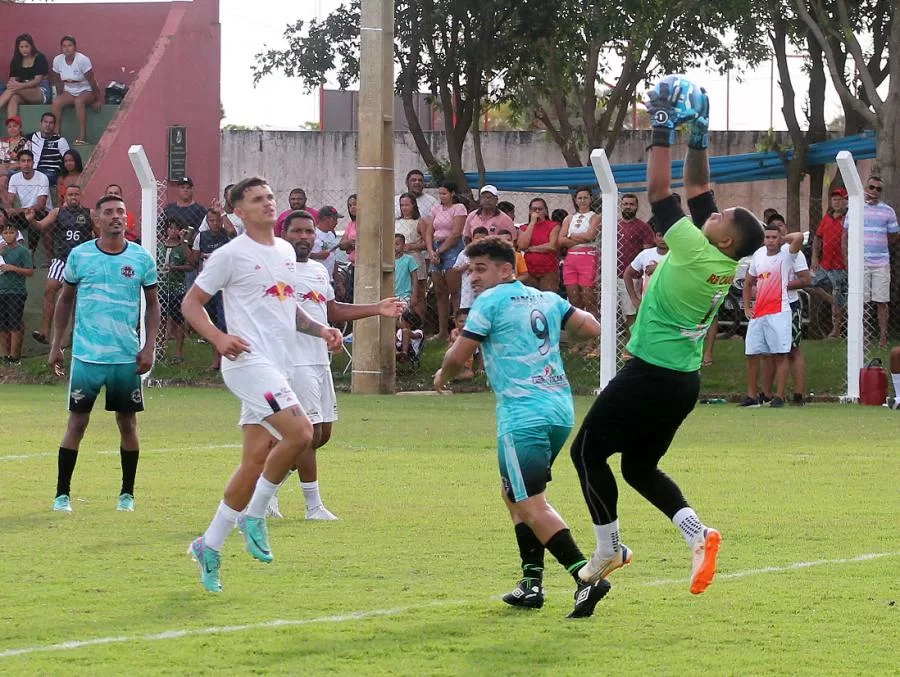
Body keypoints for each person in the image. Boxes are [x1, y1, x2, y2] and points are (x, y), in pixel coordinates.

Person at [570, 76, 764, 595]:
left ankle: (609, 547)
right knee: (638, 467)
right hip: (681, 383)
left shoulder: (697, 249)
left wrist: (659, 127)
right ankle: (698, 533)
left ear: (722, 237)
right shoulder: (722, 256)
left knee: (586, 453)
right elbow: (700, 191)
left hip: (650, 376)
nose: (713, 212)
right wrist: (697, 138)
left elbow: (659, 193)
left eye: (720, 217)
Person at [182, 178, 343, 593]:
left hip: (281, 365)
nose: (268, 203)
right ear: (238, 210)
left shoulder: (287, 251)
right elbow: (190, 304)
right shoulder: (229, 255)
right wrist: (218, 338)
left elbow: (288, 310)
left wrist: (320, 329)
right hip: (248, 363)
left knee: (255, 460)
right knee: (303, 432)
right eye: (257, 199)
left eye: (270, 196)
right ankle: (255, 515)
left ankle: (209, 544)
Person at [434, 236, 609, 618]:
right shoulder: (545, 298)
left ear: (507, 268)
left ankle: (585, 575)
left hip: (522, 413)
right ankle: (531, 583)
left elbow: (460, 354)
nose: (474, 278)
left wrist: (442, 374)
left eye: (481, 269)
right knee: (513, 493)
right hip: (559, 409)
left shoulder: (490, 302)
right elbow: (592, 326)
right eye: (471, 270)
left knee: (530, 501)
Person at [265, 211, 404, 520]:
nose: (304, 236)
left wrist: (377, 309)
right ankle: (313, 507)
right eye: (297, 231)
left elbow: (331, 310)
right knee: (307, 434)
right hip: (293, 360)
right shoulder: (277, 269)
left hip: (318, 359)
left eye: (309, 231)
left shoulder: (317, 269)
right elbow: (290, 315)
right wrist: (325, 332)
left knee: (322, 434)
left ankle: (267, 490)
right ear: (283, 233)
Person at [48, 194, 160, 513]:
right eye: (108, 212)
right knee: (77, 424)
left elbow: (153, 306)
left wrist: (149, 346)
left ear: (128, 218)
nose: (115, 216)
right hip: (87, 357)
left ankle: (127, 495)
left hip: (125, 359)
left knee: (127, 425)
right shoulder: (80, 256)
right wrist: (58, 344)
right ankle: (62, 495)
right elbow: (65, 300)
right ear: (96, 219)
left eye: (120, 212)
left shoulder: (141, 259)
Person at [740, 225, 803, 408]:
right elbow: (749, 282)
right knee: (752, 354)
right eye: (767, 237)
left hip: (779, 311)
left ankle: (778, 396)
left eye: (774, 237)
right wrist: (746, 308)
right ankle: (751, 396)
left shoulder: (787, 253)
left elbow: (799, 237)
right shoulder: (758, 254)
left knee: (780, 354)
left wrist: (784, 239)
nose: (770, 241)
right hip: (759, 311)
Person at [25, 183, 95, 345]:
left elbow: (99, 234)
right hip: (62, 258)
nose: (73, 197)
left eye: (76, 194)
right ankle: (45, 332)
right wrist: (31, 220)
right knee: (50, 289)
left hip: (82, 261)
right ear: (65, 197)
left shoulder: (89, 213)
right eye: (70, 195)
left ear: (80, 196)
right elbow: (41, 225)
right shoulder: (58, 212)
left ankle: (78, 334)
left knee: (82, 298)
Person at [758, 213, 812, 405]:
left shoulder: (792, 252)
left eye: (780, 227)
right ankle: (766, 394)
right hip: (768, 306)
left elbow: (806, 279)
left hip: (789, 305)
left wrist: (783, 285)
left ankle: (798, 395)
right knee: (768, 352)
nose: (776, 232)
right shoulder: (763, 254)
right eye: (772, 229)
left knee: (792, 350)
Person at [842, 175, 899, 349]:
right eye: (872, 187)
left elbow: (894, 235)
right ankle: (864, 337)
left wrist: (880, 243)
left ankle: (883, 338)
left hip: (881, 262)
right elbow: (845, 235)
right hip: (861, 263)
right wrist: (847, 260)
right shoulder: (855, 209)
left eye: (878, 189)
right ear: (866, 188)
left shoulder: (888, 211)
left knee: (882, 301)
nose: (874, 191)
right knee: (863, 301)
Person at [191, 208, 234, 370]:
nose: (215, 223)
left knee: (224, 323)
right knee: (211, 323)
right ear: (207, 222)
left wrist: (222, 212)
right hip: (208, 287)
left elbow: (233, 232)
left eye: (217, 220)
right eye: (211, 220)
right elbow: (193, 260)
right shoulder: (201, 237)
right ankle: (217, 359)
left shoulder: (227, 235)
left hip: (225, 287)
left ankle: (225, 360)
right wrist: (185, 243)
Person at [424, 180, 467, 339]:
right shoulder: (436, 209)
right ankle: (442, 331)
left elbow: (456, 233)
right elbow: (429, 231)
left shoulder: (459, 209)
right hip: (436, 247)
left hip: (452, 249)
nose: (441, 196)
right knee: (440, 292)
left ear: (452, 193)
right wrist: (431, 250)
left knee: (455, 292)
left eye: (444, 193)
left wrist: (440, 251)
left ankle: (459, 330)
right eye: (440, 193)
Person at [50, 36, 102, 145]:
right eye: (64, 46)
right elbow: (56, 78)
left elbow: (92, 81)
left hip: (86, 90)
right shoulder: (57, 60)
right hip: (69, 90)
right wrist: (61, 94)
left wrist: (98, 99)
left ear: (75, 47)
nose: (67, 48)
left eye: (69, 45)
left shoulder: (82, 60)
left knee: (79, 101)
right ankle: (56, 135)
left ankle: (82, 137)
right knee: (56, 102)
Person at [811, 187, 848, 338]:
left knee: (839, 293)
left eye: (839, 199)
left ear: (845, 201)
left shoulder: (848, 218)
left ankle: (836, 331)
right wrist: (814, 257)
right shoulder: (827, 218)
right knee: (811, 283)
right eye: (834, 199)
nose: (837, 202)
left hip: (841, 266)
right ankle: (834, 301)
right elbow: (817, 237)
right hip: (825, 264)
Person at [558, 187, 601, 317]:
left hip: (588, 257)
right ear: (575, 200)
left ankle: (595, 331)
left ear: (590, 199)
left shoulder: (595, 217)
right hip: (571, 258)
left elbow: (590, 236)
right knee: (574, 297)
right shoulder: (569, 218)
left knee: (589, 296)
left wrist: (570, 236)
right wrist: (578, 238)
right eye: (580, 198)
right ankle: (580, 328)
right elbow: (560, 240)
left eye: (585, 197)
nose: (582, 201)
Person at [616, 194, 656, 332]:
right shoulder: (614, 226)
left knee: (631, 313)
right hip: (612, 275)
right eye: (625, 204)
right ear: (621, 205)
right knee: (613, 312)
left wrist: (641, 277)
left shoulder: (643, 227)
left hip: (632, 277)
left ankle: (632, 344)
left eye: (631, 204)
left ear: (637, 207)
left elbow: (647, 254)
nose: (628, 207)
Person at [157, 219, 193, 363]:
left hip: (177, 289)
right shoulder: (159, 247)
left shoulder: (181, 248)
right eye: (170, 228)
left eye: (175, 228)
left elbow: (191, 265)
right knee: (160, 319)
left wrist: (176, 268)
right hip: (161, 288)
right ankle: (159, 349)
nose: (172, 231)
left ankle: (178, 353)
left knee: (178, 321)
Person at [0, 219, 34, 364]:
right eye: (5, 233)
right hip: (1, 291)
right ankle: (6, 355)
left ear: (17, 234)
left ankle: (15, 357)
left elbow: (29, 271)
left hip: (16, 291)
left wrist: (13, 268)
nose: (8, 235)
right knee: (3, 325)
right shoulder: (1, 250)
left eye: (11, 232)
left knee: (14, 324)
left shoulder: (23, 251)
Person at [5, 149, 49, 251]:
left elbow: (41, 205)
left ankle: (30, 252)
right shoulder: (14, 178)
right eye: (23, 161)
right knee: (5, 219)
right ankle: (10, 252)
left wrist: (17, 210)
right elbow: (10, 199)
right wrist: (9, 210)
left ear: (33, 162)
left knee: (34, 217)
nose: (26, 164)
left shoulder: (42, 178)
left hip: (42, 212)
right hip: (23, 212)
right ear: (19, 163)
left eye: (29, 161)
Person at [0, 34, 52, 119]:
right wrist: (13, 84)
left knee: (13, 90)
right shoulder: (16, 60)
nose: (24, 49)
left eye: (26, 46)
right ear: (18, 48)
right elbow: (12, 80)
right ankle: (12, 127)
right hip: (22, 91)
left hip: (40, 90)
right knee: (14, 98)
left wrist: (19, 86)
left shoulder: (39, 58)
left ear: (31, 46)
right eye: (21, 47)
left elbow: (37, 81)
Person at [394, 192, 428, 322]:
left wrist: (411, 247)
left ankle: (422, 324)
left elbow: (426, 243)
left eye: (407, 205)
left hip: (414, 259)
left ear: (413, 205)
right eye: (402, 205)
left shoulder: (419, 222)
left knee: (418, 295)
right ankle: (404, 323)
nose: (404, 208)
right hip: (398, 261)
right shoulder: (397, 222)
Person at [517, 197, 560, 292]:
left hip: (549, 270)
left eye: (540, 209)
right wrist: (532, 223)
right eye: (534, 209)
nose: (537, 211)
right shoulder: (524, 227)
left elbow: (552, 246)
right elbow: (522, 245)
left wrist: (532, 249)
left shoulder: (553, 225)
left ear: (545, 211)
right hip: (529, 270)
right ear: (529, 211)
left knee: (547, 300)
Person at [624, 230, 669, 313]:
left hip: (670, 305)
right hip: (648, 306)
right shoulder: (645, 254)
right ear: (654, 238)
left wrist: (658, 268)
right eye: (660, 235)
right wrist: (634, 299)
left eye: (666, 236)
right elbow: (627, 274)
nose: (663, 239)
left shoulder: (676, 255)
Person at [451, 226, 488, 312]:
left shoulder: (490, 253)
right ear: (472, 239)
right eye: (477, 238)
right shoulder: (465, 252)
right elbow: (455, 269)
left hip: (484, 287)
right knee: (467, 312)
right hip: (468, 290)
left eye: (483, 238)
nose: (479, 241)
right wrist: (466, 266)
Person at [28, 112, 69, 188]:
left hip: (50, 173)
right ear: (41, 123)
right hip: (31, 171)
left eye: (51, 123)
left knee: (40, 177)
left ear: (54, 125)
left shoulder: (60, 140)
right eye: (45, 122)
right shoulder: (31, 137)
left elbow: (67, 160)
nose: (48, 125)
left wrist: (62, 175)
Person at [0, 115, 29, 195]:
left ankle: (8, 207)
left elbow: (24, 162)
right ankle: (8, 207)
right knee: (2, 180)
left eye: (15, 126)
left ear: (20, 128)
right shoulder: (2, 142)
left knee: (2, 181)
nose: (12, 129)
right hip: (3, 172)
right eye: (9, 127)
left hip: (18, 172)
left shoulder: (25, 143)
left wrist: (7, 166)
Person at [393, 233, 419, 306]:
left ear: (404, 246)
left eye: (397, 244)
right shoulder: (388, 262)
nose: (394, 247)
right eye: (392, 244)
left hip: (404, 295)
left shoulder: (409, 259)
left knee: (402, 313)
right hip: (391, 295)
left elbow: (415, 278)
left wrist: (414, 294)